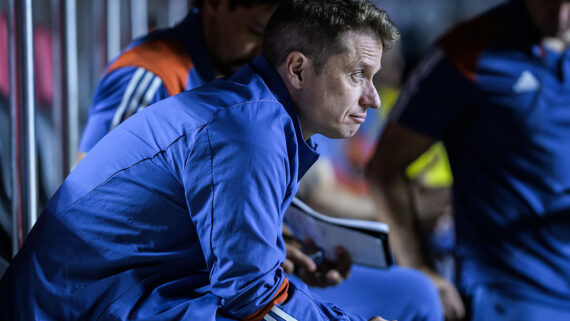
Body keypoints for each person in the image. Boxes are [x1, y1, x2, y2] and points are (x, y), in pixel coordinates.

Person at [0, 1, 443, 320]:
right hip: (83, 302)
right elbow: (252, 298)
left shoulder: (261, 113)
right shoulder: (250, 129)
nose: (372, 97)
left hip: (138, 289)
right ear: (298, 69)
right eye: (357, 75)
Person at [367, 0, 570, 320]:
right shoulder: (468, 52)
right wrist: (418, 269)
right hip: (510, 295)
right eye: (548, 2)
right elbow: (384, 168)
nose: (561, 17)